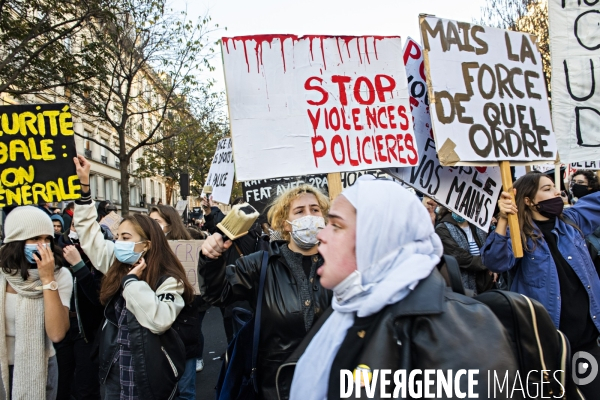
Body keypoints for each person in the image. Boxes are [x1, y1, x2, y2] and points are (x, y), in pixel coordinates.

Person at [288, 177, 518, 400]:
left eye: (337, 225)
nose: (321, 235)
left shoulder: (457, 331)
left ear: (377, 238)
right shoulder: (349, 306)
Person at [72, 156, 195, 399]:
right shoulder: (116, 262)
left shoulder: (170, 280)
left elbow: (159, 320)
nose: (118, 243)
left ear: (146, 244)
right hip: (114, 370)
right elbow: (89, 235)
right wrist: (84, 188)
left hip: (148, 374)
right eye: (117, 236)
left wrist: (131, 284)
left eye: (126, 238)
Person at [199, 184, 332, 399]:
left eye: (315, 210)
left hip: (328, 384)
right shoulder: (261, 265)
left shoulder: (339, 265)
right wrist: (210, 260)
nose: (310, 216)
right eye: (299, 211)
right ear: (286, 224)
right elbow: (217, 294)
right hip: (276, 388)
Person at [481, 171, 600, 398]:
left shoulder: (571, 221)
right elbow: (495, 261)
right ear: (528, 200)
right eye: (547, 189)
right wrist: (504, 219)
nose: (557, 192)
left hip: (586, 341)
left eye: (555, 187)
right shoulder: (519, 235)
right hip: (546, 345)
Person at [0, 206, 73, 399]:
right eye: (35, 239)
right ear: (17, 241)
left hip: (40, 368)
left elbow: (57, 333)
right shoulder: (2, 274)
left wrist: (48, 279)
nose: (43, 245)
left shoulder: (60, 274)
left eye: (47, 239)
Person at [149, 204, 201, 400]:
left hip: (183, 332)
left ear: (170, 225)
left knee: (185, 391)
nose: (152, 228)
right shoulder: (146, 252)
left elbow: (197, 296)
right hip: (156, 335)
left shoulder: (187, 249)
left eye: (157, 223)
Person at [55, 220, 105, 400]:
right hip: (60, 326)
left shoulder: (101, 254)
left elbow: (99, 297)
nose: (79, 230)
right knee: (61, 383)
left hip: (87, 329)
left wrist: (79, 265)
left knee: (87, 385)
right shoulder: (56, 249)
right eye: (76, 225)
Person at [435, 211, 494, 295]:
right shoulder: (442, 229)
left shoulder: (479, 226)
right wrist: (490, 264)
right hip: (460, 288)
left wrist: (494, 267)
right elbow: (460, 257)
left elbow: (490, 249)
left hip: (483, 287)